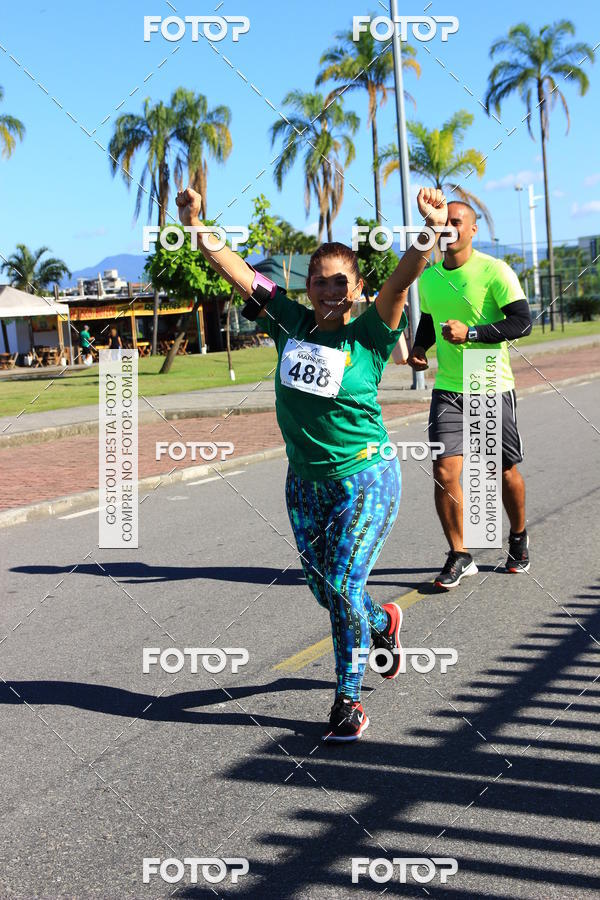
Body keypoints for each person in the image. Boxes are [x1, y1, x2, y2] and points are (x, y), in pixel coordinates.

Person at [177, 184, 448, 741]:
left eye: (340, 281)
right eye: (320, 281)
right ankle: (383, 623)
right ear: (308, 287)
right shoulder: (288, 323)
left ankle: (347, 700)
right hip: (305, 485)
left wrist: (430, 228)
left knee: (343, 587)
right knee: (327, 591)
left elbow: (406, 273)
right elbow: (234, 270)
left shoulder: (370, 332)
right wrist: (197, 223)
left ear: (356, 289)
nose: (329, 290)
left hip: (366, 478)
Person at [408, 201, 532, 589]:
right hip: (447, 386)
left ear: (473, 229)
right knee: (445, 470)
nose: (448, 229)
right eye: (443, 224)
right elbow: (429, 319)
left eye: (456, 223)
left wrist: (473, 333)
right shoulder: (429, 278)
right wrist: (418, 348)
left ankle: (518, 536)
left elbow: (522, 322)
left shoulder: (494, 271)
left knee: (502, 470)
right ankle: (460, 554)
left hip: (488, 380)